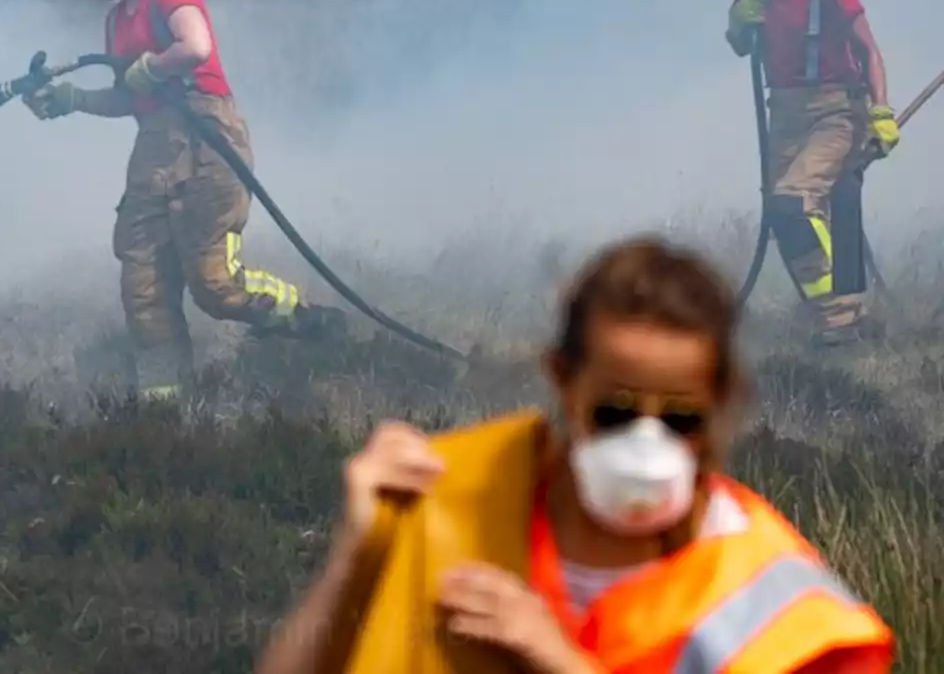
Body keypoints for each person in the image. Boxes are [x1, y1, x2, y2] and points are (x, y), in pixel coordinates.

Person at [254, 236, 895, 674]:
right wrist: (352, 562)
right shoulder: (457, 500)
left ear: (722, 403)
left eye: (681, 419)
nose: (648, 444)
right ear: (563, 380)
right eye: (615, 412)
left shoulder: (771, 600)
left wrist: (557, 658)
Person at [21, 0, 345, 399]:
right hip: (153, 150)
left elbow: (195, 47)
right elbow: (129, 98)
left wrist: (150, 67)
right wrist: (72, 100)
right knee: (143, 285)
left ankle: (305, 319)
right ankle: (166, 411)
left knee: (215, 285)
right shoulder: (115, 20)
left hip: (208, 141)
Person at [724, 0, 900, 347]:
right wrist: (738, 24)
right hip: (782, 113)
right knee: (789, 218)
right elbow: (743, 46)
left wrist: (881, 111)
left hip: (837, 110)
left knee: (793, 203)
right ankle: (834, 319)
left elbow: (869, 50)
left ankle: (842, 316)